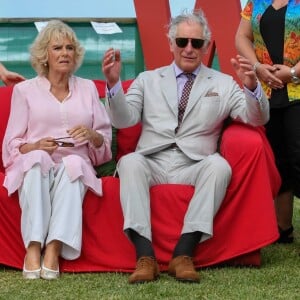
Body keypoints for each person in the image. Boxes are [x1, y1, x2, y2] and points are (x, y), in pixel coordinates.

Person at [102, 9, 269, 284]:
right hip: (151, 161)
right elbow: (124, 118)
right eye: (182, 42)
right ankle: (145, 257)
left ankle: (183, 253)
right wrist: (113, 83)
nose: (189, 49)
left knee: (219, 166)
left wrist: (251, 86)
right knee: (129, 162)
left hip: (195, 163)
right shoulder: (147, 79)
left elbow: (257, 118)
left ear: (205, 46)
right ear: (171, 44)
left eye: (196, 43)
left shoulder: (224, 83)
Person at [2, 20, 112, 280]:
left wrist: (92, 135)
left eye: (70, 47)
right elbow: (11, 145)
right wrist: (35, 145)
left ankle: (53, 248)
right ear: (45, 55)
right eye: (58, 48)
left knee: (74, 164)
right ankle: (33, 247)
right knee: (38, 158)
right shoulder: (24, 91)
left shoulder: (87, 89)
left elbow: (104, 144)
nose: (65, 53)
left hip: (76, 163)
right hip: (36, 163)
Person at [235, 0, 300, 243]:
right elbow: (241, 36)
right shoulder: (257, 3)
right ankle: (283, 229)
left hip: (298, 90)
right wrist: (257, 66)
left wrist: (293, 73)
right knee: (277, 160)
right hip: (268, 92)